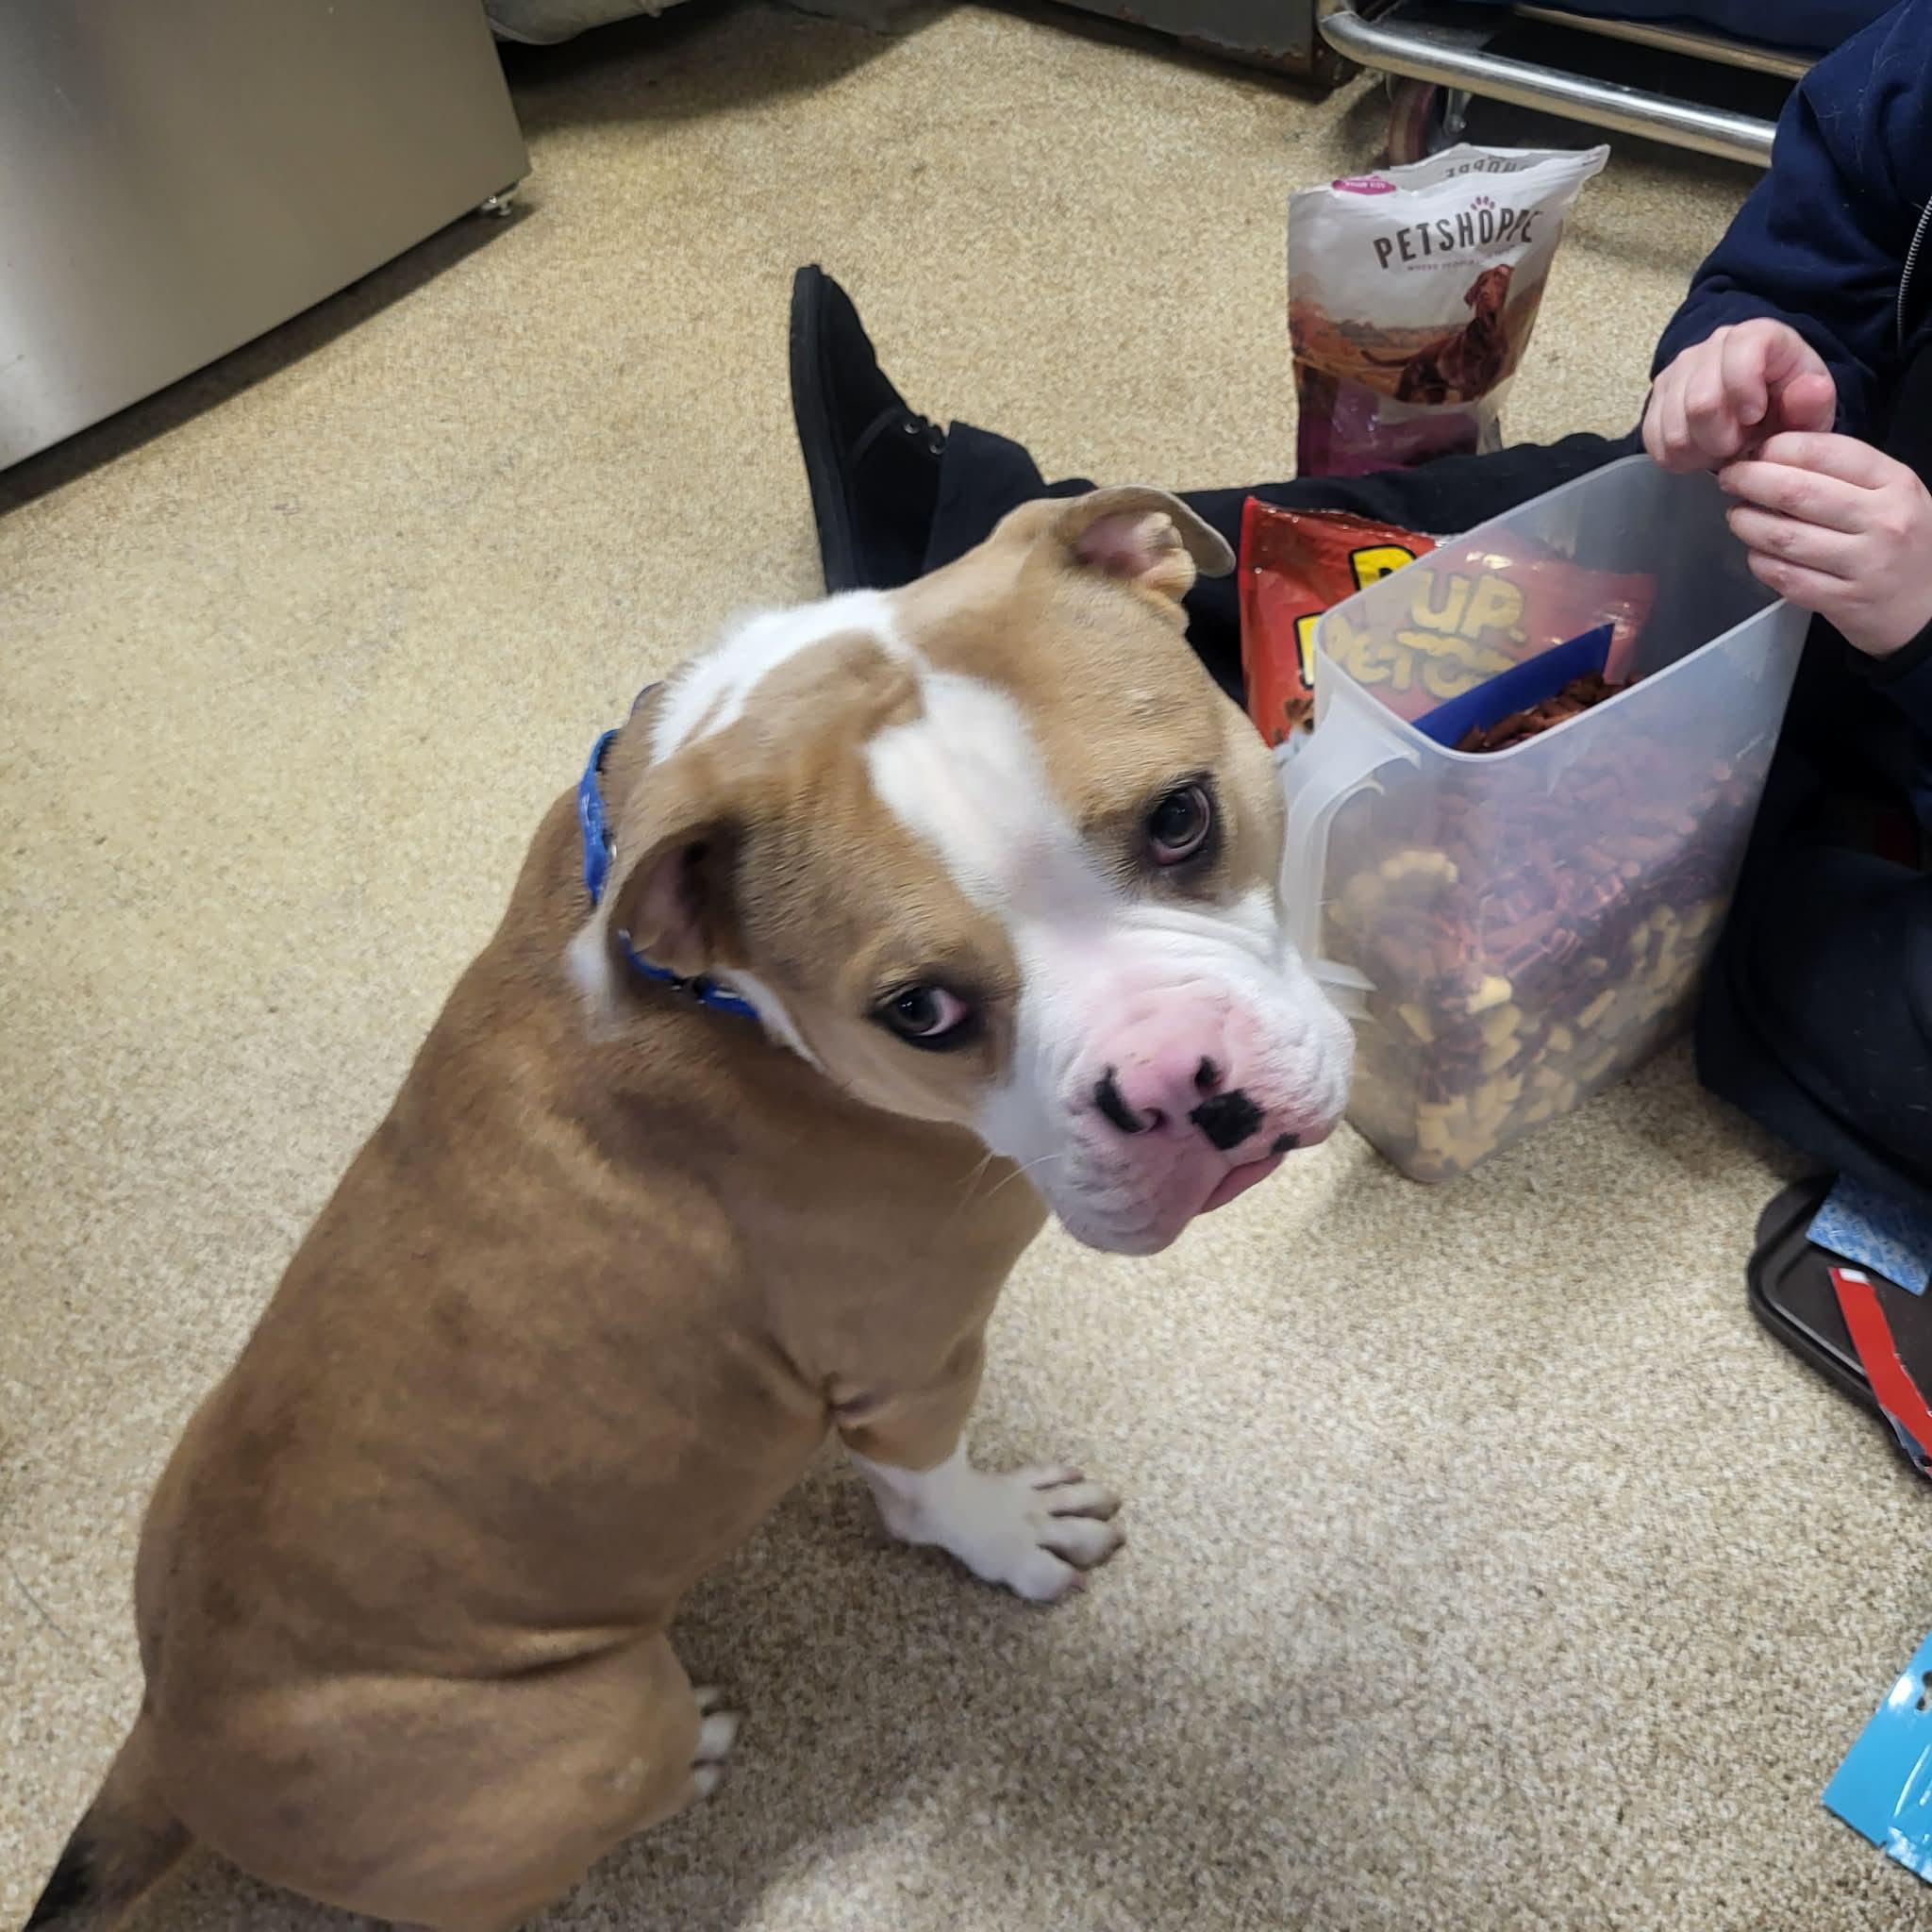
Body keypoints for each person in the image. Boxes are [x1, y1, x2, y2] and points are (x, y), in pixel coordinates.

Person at [786, 0, 1932, 1221]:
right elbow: (1839, 210)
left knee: (1803, 972)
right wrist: (1756, 346)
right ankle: (983, 537)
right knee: (1508, 511)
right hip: (1837, 491)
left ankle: (1778, 875)